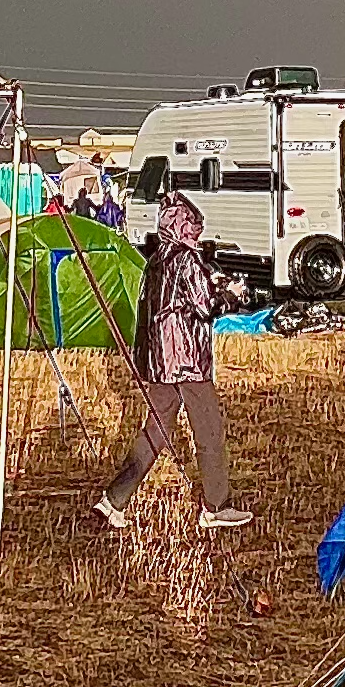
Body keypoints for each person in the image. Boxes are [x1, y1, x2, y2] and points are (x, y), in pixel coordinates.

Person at [95, 189, 249, 533]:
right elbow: (205, 308)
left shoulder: (157, 259)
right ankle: (216, 506)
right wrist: (231, 295)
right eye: (194, 227)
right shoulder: (187, 260)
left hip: (159, 359)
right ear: (184, 228)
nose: (198, 233)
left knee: (155, 429)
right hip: (188, 361)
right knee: (208, 429)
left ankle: (114, 499)